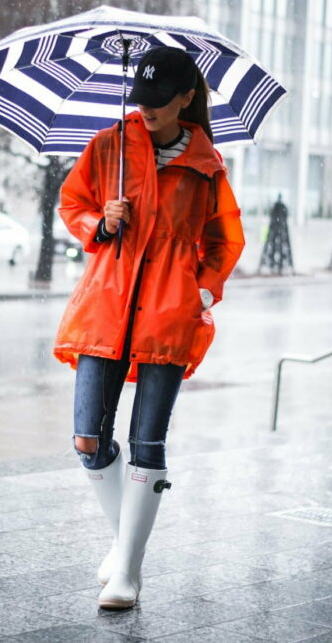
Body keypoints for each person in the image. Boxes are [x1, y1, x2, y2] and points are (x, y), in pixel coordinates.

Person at [53, 47, 245, 609]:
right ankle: (125, 543)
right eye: (142, 98)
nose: (148, 109)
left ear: (187, 98)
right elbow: (71, 204)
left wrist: (202, 290)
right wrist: (100, 220)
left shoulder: (206, 165)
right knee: (88, 438)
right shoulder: (110, 144)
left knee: (146, 443)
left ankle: (127, 573)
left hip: (168, 314)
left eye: (161, 101)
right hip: (105, 307)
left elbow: (225, 241)